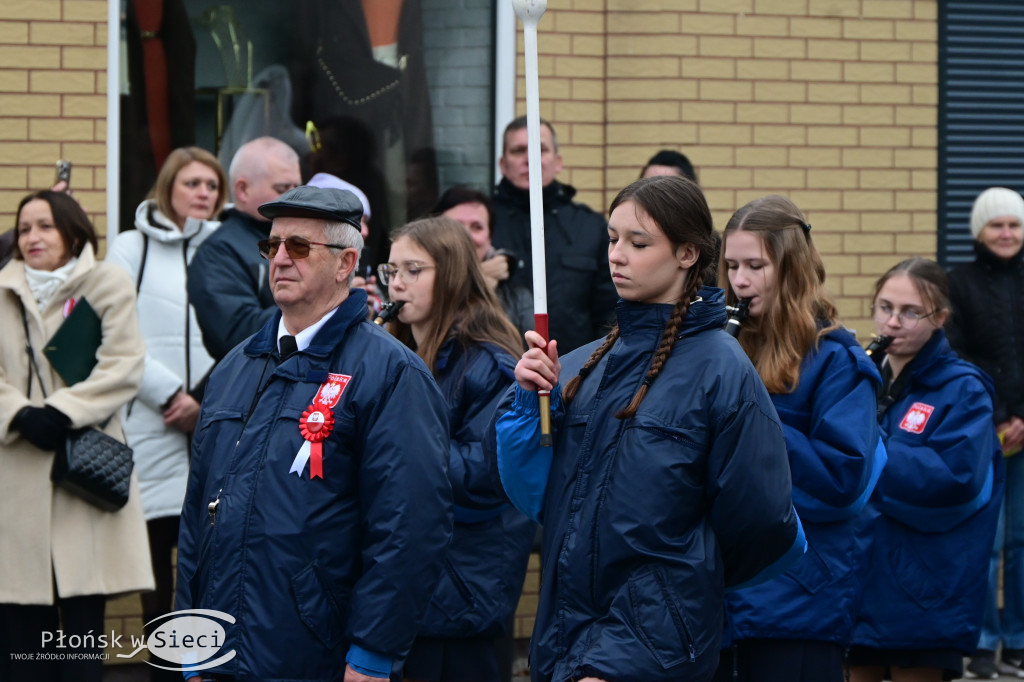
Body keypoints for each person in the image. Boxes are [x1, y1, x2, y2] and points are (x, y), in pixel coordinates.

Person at [492, 175, 805, 682]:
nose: (617, 255)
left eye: (639, 243)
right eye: (613, 239)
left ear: (687, 254)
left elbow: (763, 519)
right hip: (565, 628)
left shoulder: (721, 369)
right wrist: (528, 403)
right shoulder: (586, 365)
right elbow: (534, 492)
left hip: (656, 639)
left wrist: (681, 583)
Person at [175, 186, 454, 681]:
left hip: (318, 655)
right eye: (272, 245)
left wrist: (372, 654)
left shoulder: (390, 373)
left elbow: (409, 526)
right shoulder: (235, 368)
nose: (280, 258)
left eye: (299, 247)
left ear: (346, 263)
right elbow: (198, 516)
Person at [717, 194, 885, 682]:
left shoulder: (837, 362)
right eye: (731, 266)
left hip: (797, 600)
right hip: (723, 597)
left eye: (755, 265)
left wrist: (755, 417)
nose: (739, 281)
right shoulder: (724, 347)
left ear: (791, 270)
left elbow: (843, 478)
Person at [0, 190, 152, 682]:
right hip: (15, 472)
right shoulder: (0, 288)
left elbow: (124, 363)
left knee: (81, 633)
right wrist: (19, 415)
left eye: (45, 226)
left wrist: (62, 412)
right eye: (24, 229)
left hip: (82, 470)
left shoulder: (107, 283)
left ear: (72, 231)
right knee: (20, 635)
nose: (32, 237)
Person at [381, 216, 535, 681]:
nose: (398, 284)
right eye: (391, 272)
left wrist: (397, 445)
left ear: (450, 274)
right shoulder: (400, 351)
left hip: (461, 588)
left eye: (413, 270)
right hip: (414, 583)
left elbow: (485, 477)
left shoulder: (490, 361)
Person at [847, 258, 1002, 682]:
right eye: (884, 307)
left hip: (925, 588)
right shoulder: (862, 377)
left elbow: (955, 476)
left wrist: (867, 448)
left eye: (911, 312)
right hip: (861, 580)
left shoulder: (964, 389)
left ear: (941, 319)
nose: (893, 322)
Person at [105, 146, 225, 681]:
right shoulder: (129, 248)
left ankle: (205, 669)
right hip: (147, 424)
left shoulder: (227, 249)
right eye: (192, 183)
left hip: (213, 423)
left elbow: (243, 332)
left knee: (210, 564)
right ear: (167, 187)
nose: (203, 194)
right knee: (153, 570)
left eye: (212, 186)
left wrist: (204, 401)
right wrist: (168, 394)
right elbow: (110, 326)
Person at [947, 187, 1024, 677]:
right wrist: (999, 415)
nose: (1007, 234)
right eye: (997, 225)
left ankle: (1016, 640)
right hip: (985, 434)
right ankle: (981, 643)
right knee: (988, 543)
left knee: (1020, 545)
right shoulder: (957, 283)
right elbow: (959, 356)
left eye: (1014, 225)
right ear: (979, 231)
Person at [491, 116, 618, 353]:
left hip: (574, 375)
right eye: (518, 151)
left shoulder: (589, 227)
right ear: (502, 164)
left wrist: (596, 369)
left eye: (540, 150)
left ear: (557, 162)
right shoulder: (481, 225)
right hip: (497, 376)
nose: (529, 159)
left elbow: (610, 313)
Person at [187, 136, 302, 361]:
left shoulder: (303, 241)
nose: (294, 197)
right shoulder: (219, 252)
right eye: (282, 188)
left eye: (297, 187)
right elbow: (237, 334)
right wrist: (318, 306)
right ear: (242, 190)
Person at [433, 186, 533, 337]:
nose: (466, 236)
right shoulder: (415, 287)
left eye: (477, 227)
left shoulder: (519, 300)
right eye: (455, 226)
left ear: (489, 238)